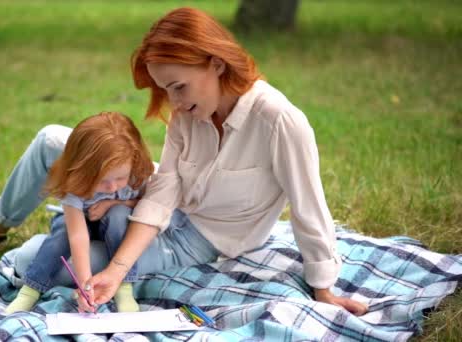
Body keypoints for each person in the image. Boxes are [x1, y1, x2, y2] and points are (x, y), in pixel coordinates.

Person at [80, 7, 368, 316]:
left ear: (217, 64)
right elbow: (164, 190)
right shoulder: (187, 114)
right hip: (160, 218)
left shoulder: (278, 121)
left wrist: (323, 288)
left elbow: (308, 206)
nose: (174, 103)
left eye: (179, 87)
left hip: (199, 244)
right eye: (166, 90)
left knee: (63, 263)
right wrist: (118, 268)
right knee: (53, 141)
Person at [3, 112, 154, 313]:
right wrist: (85, 285)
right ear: (82, 170)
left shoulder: (137, 173)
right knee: (61, 236)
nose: (112, 187)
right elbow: (77, 236)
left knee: (118, 214)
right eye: (102, 180)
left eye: (120, 178)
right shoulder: (75, 183)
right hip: (75, 224)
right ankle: (30, 290)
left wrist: (113, 203)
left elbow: (145, 206)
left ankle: (124, 288)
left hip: (114, 224)